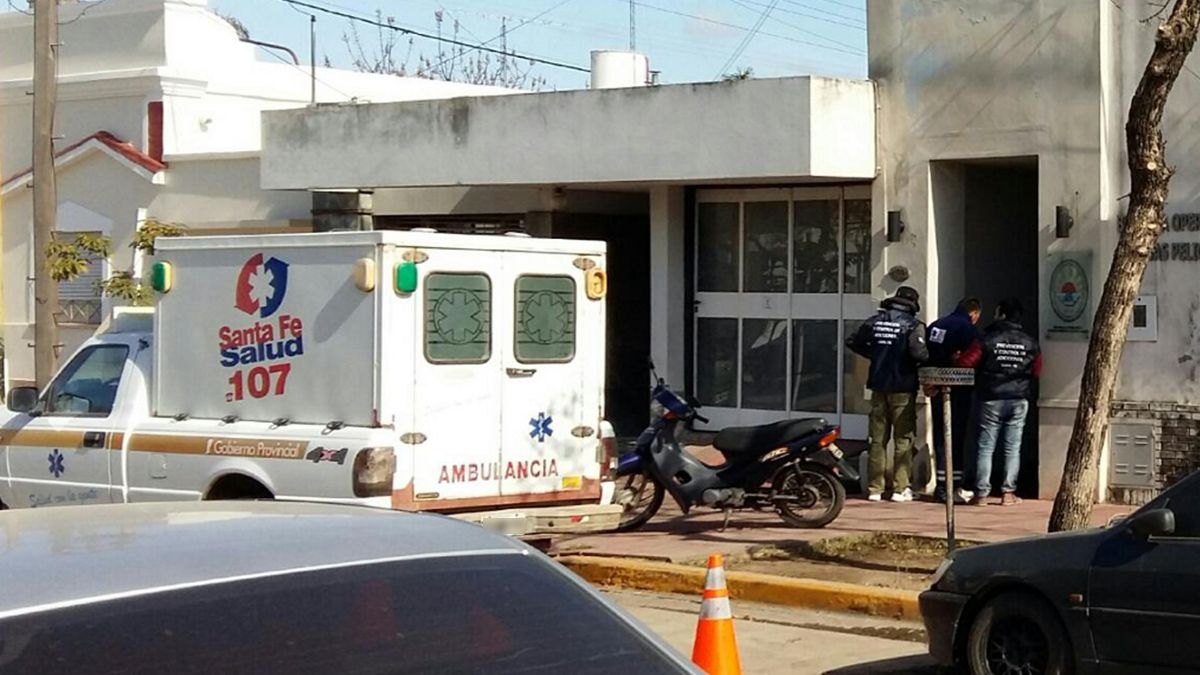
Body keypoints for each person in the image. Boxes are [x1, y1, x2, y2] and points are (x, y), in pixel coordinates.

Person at [847, 286, 929, 503]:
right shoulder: (913, 325)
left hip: (878, 386)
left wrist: (876, 355)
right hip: (903, 387)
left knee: (877, 439)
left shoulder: (874, 321)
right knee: (903, 438)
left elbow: (853, 341)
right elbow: (919, 353)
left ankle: (875, 488)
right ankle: (901, 488)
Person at [957, 298, 1041, 506]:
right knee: (1012, 447)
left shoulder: (986, 339)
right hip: (1018, 399)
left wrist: (956, 357)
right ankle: (1008, 493)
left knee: (986, 446)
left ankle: (981, 494)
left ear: (1001, 314)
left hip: (991, 398)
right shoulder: (1031, 342)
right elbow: (1037, 371)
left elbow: (966, 363)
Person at [925, 298, 982, 504]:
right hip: (959, 390)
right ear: (974, 313)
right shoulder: (967, 329)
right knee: (956, 436)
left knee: (940, 435)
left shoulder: (935, 326)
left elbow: (924, 355)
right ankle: (954, 485)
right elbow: (973, 356)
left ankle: (941, 485)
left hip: (935, 386)